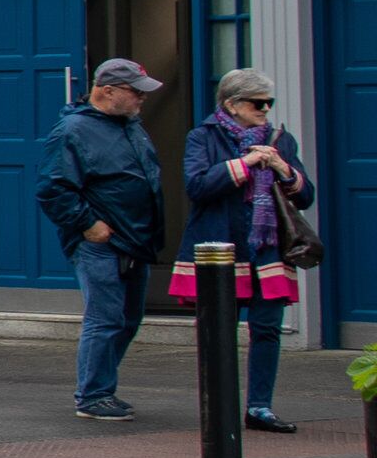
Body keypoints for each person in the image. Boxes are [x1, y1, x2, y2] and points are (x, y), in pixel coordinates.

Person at [175, 69, 309, 434]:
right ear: (231, 104)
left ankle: (260, 408)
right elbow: (198, 186)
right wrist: (245, 164)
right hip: (222, 248)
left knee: (267, 329)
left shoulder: (281, 140)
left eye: (269, 102)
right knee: (219, 330)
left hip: (267, 249)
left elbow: (306, 196)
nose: (265, 108)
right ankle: (218, 407)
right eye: (257, 102)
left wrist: (282, 167)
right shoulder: (203, 137)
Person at [39, 58, 167, 421]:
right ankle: (93, 395)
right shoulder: (72, 131)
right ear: (107, 91)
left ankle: (102, 388)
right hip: (101, 242)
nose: (142, 99)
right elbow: (52, 188)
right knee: (106, 317)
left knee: (127, 319)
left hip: (134, 239)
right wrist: (88, 224)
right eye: (135, 92)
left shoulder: (129, 125)